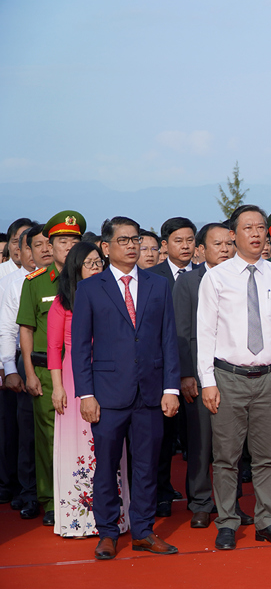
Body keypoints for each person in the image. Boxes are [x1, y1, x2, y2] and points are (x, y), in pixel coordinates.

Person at [72, 216, 181, 560]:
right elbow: (80, 347)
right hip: (106, 393)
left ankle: (144, 531)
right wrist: (86, 394)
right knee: (106, 466)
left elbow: (168, 339)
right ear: (106, 247)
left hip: (150, 390)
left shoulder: (158, 284)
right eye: (124, 240)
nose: (132, 246)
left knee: (147, 466)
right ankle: (107, 532)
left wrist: (171, 388)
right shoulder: (91, 287)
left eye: (136, 239)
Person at [197, 205, 271, 551]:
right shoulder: (217, 277)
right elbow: (205, 332)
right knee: (226, 456)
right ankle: (227, 521)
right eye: (248, 228)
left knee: (267, 455)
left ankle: (267, 521)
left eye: (261, 228)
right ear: (233, 235)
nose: (256, 234)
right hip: (228, 377)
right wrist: (207, 381)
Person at [48, 241, 131, 537]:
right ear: (76, 268)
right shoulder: (62, 304)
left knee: (108, 449)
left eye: (99, 263)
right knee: (79, 448)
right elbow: (54, 349)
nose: (96, 268)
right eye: (90, 264)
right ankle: (78, 519)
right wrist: (58, 388)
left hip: (109, 381)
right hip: (75, 382)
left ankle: (114, 518)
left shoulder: (114, 298)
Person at [172, 222, 250, 530]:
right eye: (217, 245)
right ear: (202, 249)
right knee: (202, 443)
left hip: (237, 375)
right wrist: (188, 374)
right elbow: (182, 332)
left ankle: (231, 503)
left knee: (234, 446)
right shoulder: (190, 282)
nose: (225, 250)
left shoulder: (242, 278)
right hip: (202, 376)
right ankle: (202, 503)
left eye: (228, 244)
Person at [17, 211, 84, 526]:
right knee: (48, 438)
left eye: (74, 240)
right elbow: (26, 329)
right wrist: (29, 372)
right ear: (51, 246)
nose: (68, 246)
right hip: (46, 371)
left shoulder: (93, 279)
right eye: (61, 241)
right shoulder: (36, 282)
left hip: (85, 371)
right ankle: (51, 498)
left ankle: (84, 494)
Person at [146, 216, 198, 517]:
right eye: (178, 241)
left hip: (197, 367)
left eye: (190, 240)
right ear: (165, 244)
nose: (185, 246)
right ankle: (161, 493)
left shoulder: (207, 275)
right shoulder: (152, 277)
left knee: (199, 439)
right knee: (163, 439)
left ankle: (200, 497)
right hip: (162, 370)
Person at [0, 218, 39, 512]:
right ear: (23, 251)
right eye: (34, 245)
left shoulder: (60, 280)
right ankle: (27, 491)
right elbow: (8, 330)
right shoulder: (13, 284)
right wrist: (10, 369)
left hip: (59, 364)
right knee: (24, 431)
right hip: (23, 361)